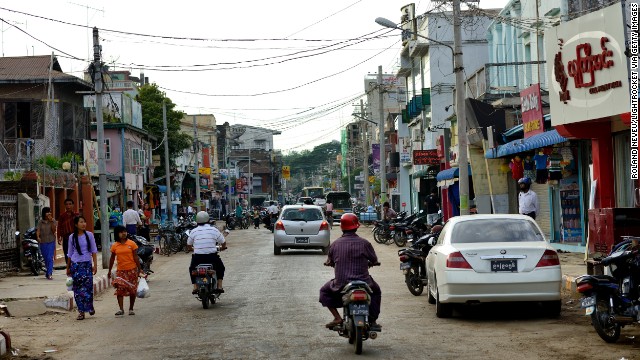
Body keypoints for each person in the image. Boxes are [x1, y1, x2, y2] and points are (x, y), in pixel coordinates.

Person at [319, 213, 382, 329]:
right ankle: (372, 320)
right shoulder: (365, 243)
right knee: (376, 292)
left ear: (342, 227)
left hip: (341, 284)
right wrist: (373, 263)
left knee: (323, 291)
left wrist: (330, 263)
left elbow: (330, 260)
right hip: (364, 283)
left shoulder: (335, 244)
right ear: (357, 226)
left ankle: (337, 317)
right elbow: (374, 259)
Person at [66, 216, 98, 320]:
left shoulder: (90, 235)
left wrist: (95, 265)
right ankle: (81, 311)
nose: (83, 224)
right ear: (76, 224)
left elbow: (93, 251)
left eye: (84, 222)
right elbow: (70, 253)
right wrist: (68, 267)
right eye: (81, 222)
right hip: (76, 265)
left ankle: (90, 307)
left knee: (88, 288)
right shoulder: (72, 237)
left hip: (87, 264)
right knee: (78, 289)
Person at [187, 211, 227, 294]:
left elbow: (188, 245)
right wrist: (223, 248)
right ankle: (219, 286)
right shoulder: (213, 230)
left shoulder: (193, 231)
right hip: (212, 257)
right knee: (220, 268)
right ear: (208, 219)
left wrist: (192, 249)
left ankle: (195, 287)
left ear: (197, 221)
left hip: (198, 258)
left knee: (192, 269)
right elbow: (223, 242)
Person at [108, 226, 142, 316]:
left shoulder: (132, 244)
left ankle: (131, 308)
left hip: (132, 270)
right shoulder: (114, 246)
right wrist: (109, 270)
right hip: (120, 271)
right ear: (117, 233)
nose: (124, 233)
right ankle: (121, 309)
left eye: (125, 231)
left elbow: (135, 257)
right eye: (121, 232)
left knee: (132, 290)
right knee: (120, 289)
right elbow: (112, 258)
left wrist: (139, 269)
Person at [37, 207, 57, 280]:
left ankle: (49, 273)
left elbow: (54, 230)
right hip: (43, 242)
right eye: (47, 212)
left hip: (51, 240)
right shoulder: (40, 222)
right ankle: (48, 272)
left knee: (50, 257)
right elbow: (38, 230)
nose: (49, 213)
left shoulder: (53, 220)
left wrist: (51, 221)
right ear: (44, 213)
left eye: (49, 212)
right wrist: (38, 237)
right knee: (45, 258)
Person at [57, 198, 78, 264]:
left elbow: (81, 226)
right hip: (66, 238)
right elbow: (59, 227)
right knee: (67, 254)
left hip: (76, 237)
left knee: (76, 253)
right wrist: (59, 237)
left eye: (70, 204)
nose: (68, 206)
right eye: (66, 204)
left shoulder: (76, 215)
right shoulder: (62, 216)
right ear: (65, 206)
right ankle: (69, 268)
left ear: (73, 205)